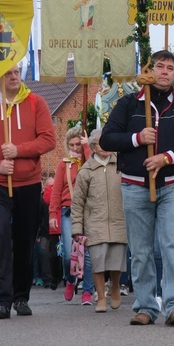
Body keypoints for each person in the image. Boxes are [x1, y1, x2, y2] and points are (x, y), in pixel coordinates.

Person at [100, 49, 174, 326]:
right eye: (160, 66)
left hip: (172, 185)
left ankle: (173, 305)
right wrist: (137, 138)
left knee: (172, 244)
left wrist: (166, 157)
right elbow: (108, 139)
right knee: (141, 249)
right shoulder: (128, 105)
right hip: (135, 186)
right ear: (149, 70)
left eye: (170, 68)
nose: (165, 72)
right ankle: (146, 306)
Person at [0, 64, 57, 319]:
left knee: (25, 241)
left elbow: (48, 139)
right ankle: (2, 299)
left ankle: (21, 297)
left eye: (17, 72)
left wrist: (18, 150)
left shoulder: (36, 103)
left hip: (28, 183)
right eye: (8, 73)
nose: (14, 76)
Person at [71, 129, 128, 313]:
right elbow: (78, 201)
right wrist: (77, 227)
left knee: (116, 260)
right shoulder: (86, 171)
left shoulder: (122, 164)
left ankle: (116, 288)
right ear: (93, 147)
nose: (105, 147)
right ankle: (101, 298)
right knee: (97, 261)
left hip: (119, 219)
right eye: (101, 143)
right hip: (95, 221)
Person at [49, 126, 95, 305]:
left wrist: (86, 147)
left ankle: (88, 292)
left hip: (88, 211)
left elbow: (95, 168)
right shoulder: (63, 164)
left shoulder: (88, 161)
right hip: (68, 210)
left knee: (89, 254)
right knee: (69, 254)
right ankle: (70, 279)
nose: (75, 148)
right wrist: (53, 213)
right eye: (72, 144)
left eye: (78, 144)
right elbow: (56, 191)